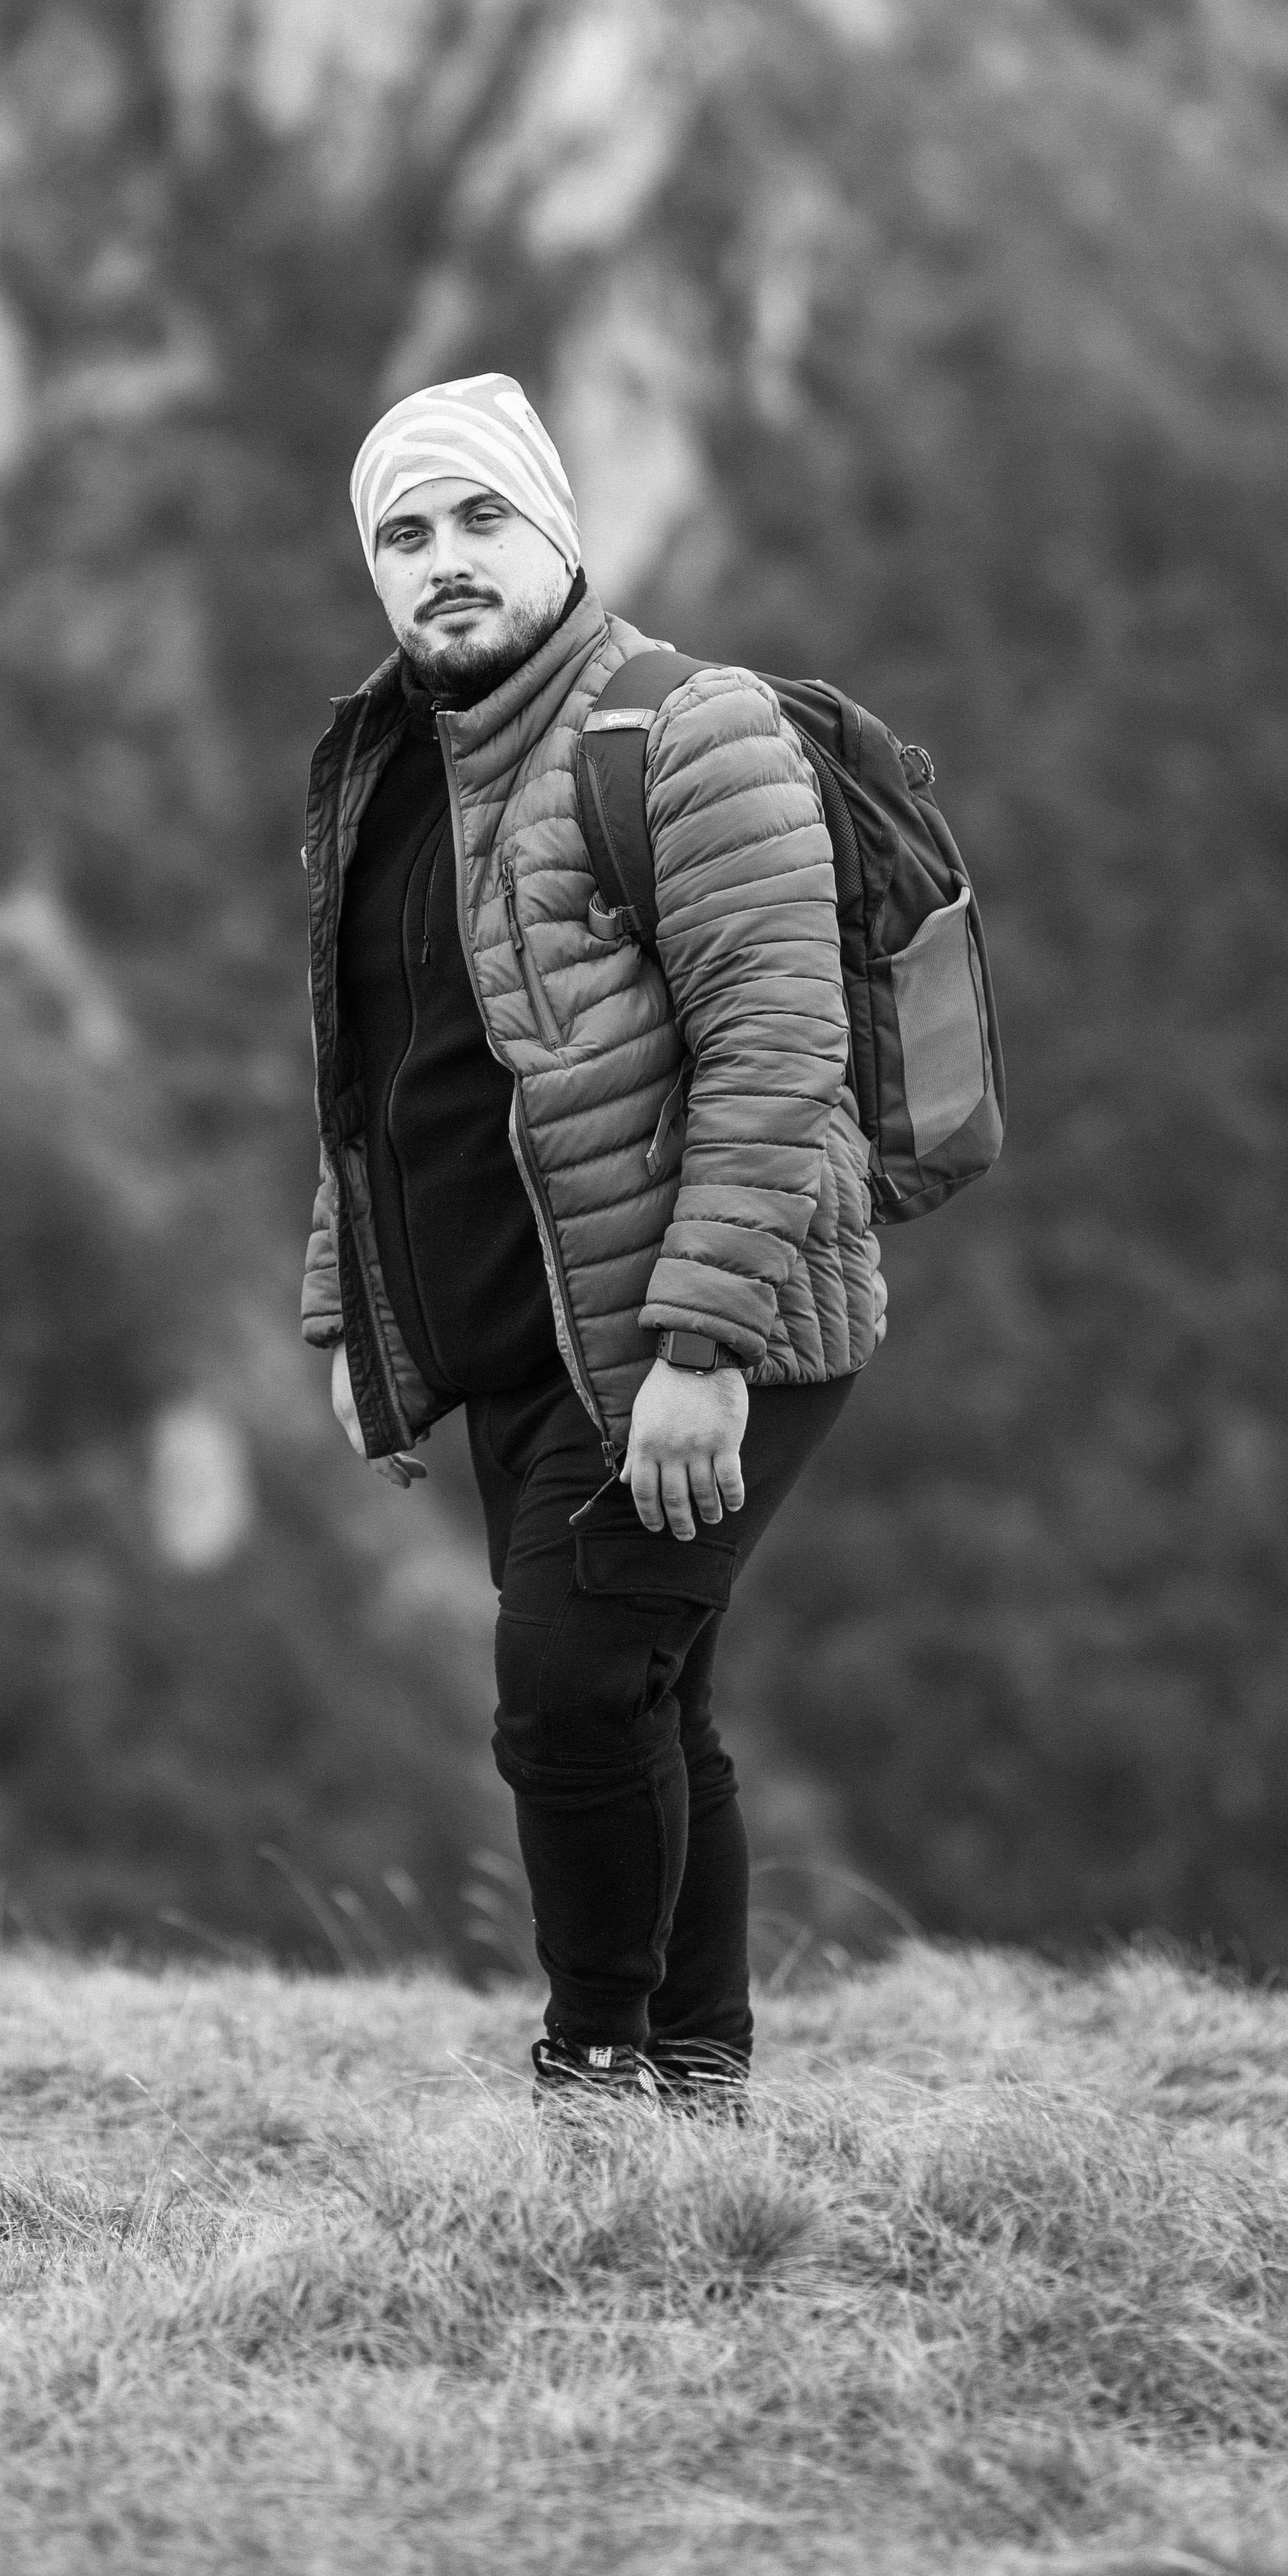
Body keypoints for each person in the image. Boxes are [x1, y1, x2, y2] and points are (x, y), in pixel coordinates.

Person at [300, 369, 882, 2103]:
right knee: (643, 1700)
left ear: (556, 530)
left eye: (481, 518)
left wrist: (700, 1352)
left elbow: (783, 1048)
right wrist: (358, 1317)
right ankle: (700, 2089)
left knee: (565, 1690)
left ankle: (598, 2075)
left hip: (718, 1317)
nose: (444, 561)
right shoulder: (392, 762)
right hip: (522, 1340)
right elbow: (380, 1070)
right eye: (405, 534)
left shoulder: (685, 732)